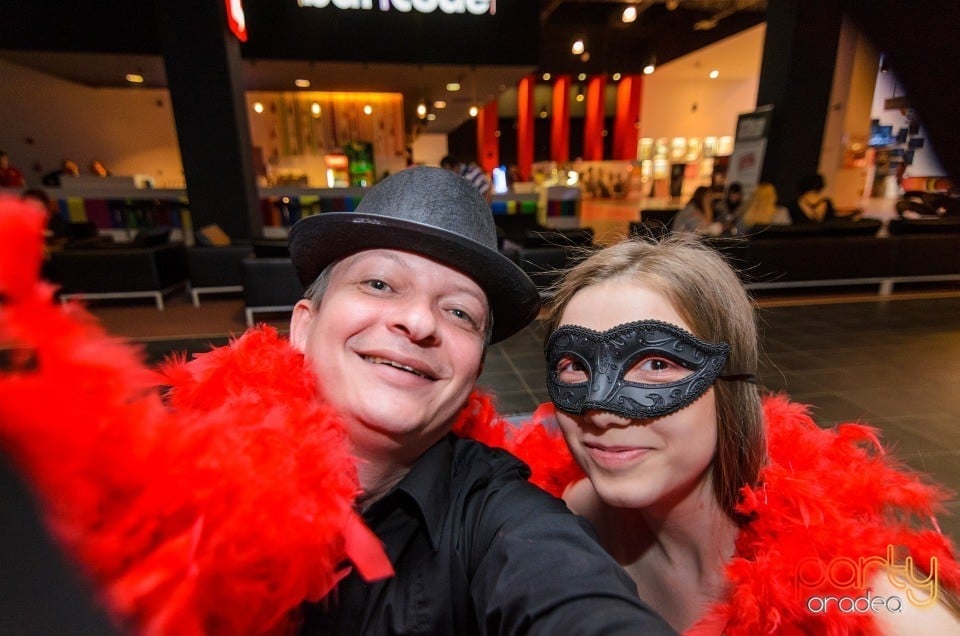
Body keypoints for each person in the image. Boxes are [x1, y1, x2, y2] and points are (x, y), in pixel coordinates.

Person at [287, 166, 676, 634]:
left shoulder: (498, 513)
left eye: (459, 312)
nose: (419, 322)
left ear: (474, 369)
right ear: (304, 326)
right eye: (379, 284)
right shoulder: (203, 474)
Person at [519, 235, 960, 634]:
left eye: (656, 363)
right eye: (574, 365)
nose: (599, 409)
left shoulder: (875, 604)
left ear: (731, 382)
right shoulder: (569, 519)